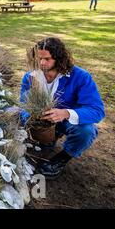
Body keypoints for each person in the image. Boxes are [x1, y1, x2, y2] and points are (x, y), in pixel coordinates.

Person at [20, 37, 105, 179]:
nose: (41, 63)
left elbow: (97, 110)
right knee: (9, 113)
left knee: (86, 131)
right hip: (41, 121)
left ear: (59, 58)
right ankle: (47, 138)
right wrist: (30, 117)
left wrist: (66, 113)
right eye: (39, 58)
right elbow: (23, 104)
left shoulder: (81, 77)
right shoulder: (30, 77)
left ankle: (63, 157)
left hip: (67, 120)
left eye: (47, 59)